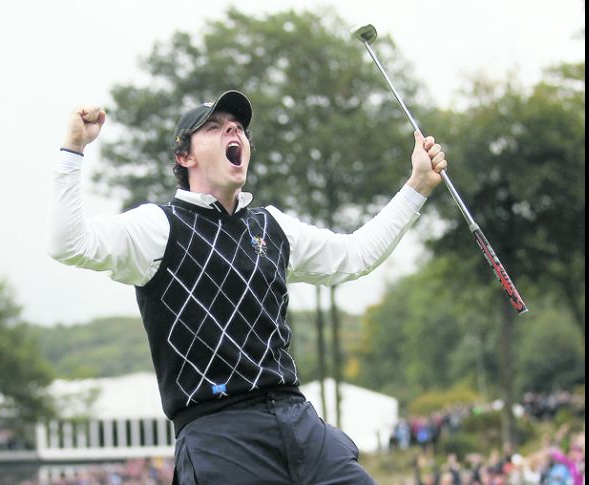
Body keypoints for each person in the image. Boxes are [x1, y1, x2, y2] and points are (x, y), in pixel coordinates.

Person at [48, 90, 447, 484]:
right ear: (184, 157)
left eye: (238, 128)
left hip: (297, 421)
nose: (232, 133)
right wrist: (73, 149)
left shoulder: (272, 226)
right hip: (219, 435)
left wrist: (417, 187)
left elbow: (355, 255)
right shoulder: (157, 227)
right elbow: (69, 244)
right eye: (216, 128)